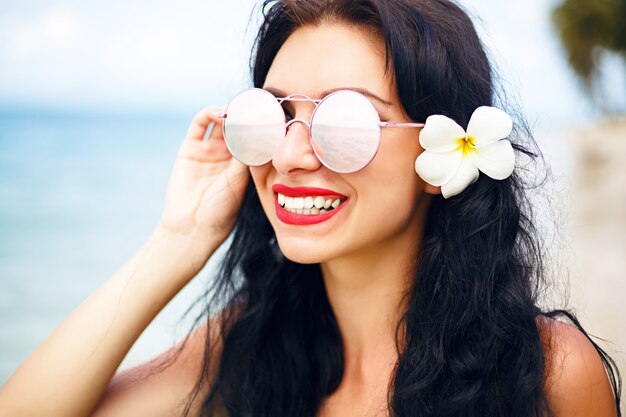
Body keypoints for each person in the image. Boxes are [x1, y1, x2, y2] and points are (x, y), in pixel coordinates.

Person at [0, 0, 622, 416]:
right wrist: (179, 238)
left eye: (347, 121)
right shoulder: (248, 348)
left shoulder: (548, 371)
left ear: (442, 156)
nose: (291, 154)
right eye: (273, 115)